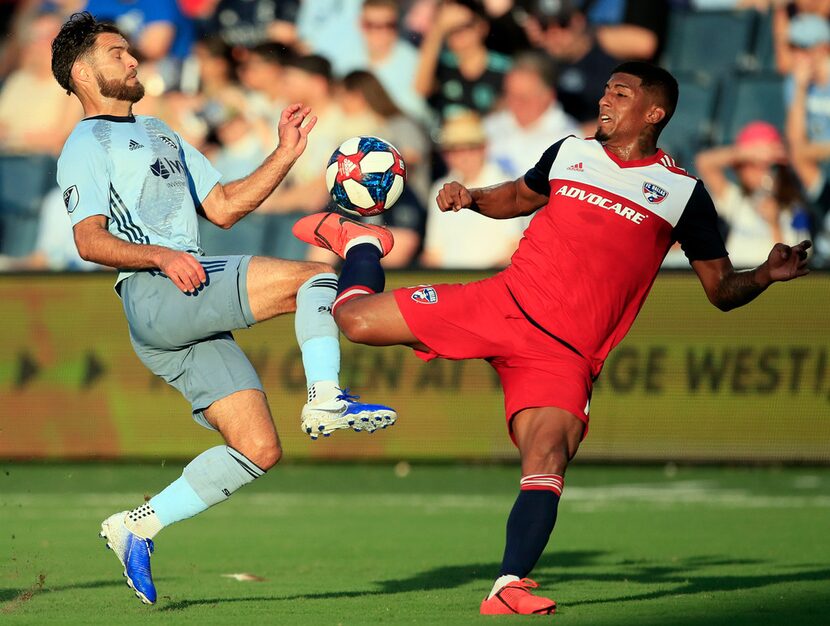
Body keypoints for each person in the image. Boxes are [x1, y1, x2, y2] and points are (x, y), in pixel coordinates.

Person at [292, 61, 812, 615]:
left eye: (621, 92)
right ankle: (359, 242)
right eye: (606, 89)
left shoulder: (683, 195)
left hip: (563, 354)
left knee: (548, 457)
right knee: (356, 321)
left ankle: (507, 585)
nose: (605, 100)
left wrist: (762, 276)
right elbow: (517, 197)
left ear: (654, 112)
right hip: (501, 302)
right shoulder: (571, 152)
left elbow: (720, 290)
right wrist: (471, 197)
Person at [50, 12, 396, 605]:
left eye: (132, 52)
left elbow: (227, 206)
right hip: (160, 291)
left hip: (179, 303)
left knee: (258, 448)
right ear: (83, 73)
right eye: (117, 54)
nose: (133, 61)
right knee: (316, 277)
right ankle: (324, 397)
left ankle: (136, 526)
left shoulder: (161, 131)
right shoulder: (85, 144)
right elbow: (88, 241)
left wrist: (286, 153)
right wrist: (160, 256)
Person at [695, 121, 811, 268]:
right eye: (750, 164)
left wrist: (774, 224)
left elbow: (793, 263)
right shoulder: (737, 200)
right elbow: (704, 163)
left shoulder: (794, 208)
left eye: (769, 166)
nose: (761, 171)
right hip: (739, 282)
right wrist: (748, 152)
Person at [422, 112, 520, 269]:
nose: (463, 157)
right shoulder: (439, 189)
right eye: (454, 150)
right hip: (448, 284)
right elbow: (433, 253)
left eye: (470, 148)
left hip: (493, 281)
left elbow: (515, 247)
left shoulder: (504, 184)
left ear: (484, 148)